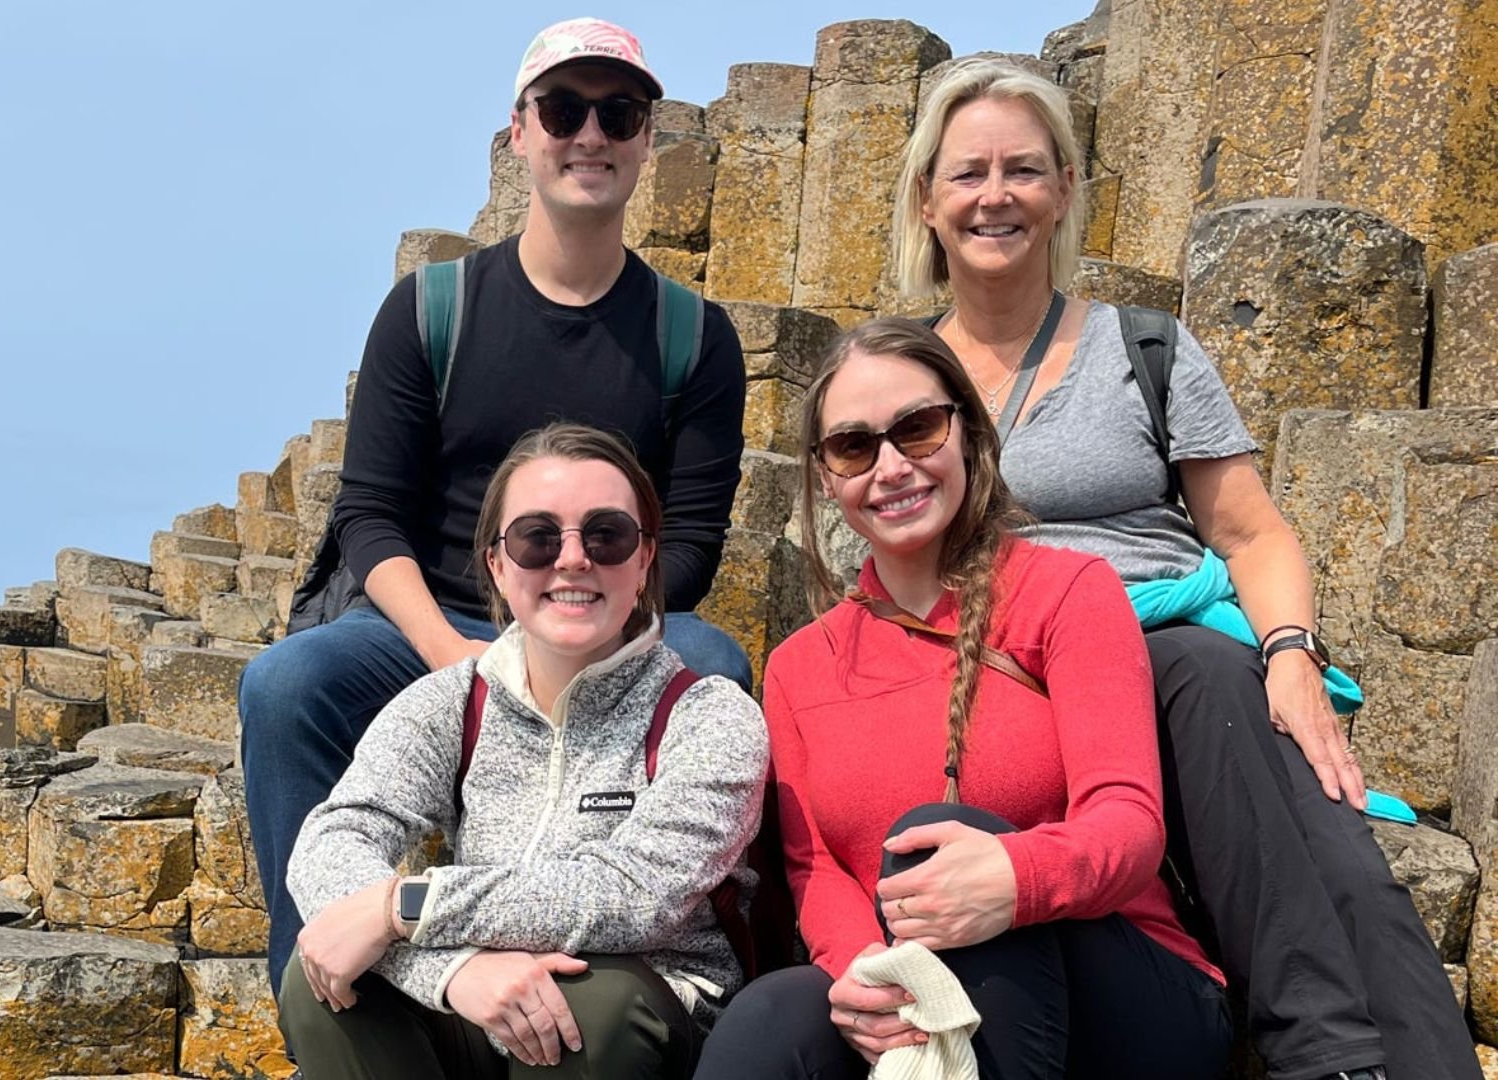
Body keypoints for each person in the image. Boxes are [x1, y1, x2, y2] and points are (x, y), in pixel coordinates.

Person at [886, 57, 1478, 1080]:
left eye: (1024, 169)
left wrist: (1292, 654)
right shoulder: (898, 380)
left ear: (1067, 188)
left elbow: (1251, 534)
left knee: (1335, 836)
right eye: (968, 172)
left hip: (1171, 636)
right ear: (926, 197)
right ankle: (1324, 1048)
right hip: (1023, 654)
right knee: (1198, 674)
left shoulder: (1144, 347)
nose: (996, 196)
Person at [240, 16, 754, 1002]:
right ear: (518, 133)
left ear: (650, 139)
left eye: (619, 113)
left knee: (720, 667)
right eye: (564, 110)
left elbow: (689, 543)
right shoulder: (432, 310)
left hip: (605, 619)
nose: (590, 136)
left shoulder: (695, 338)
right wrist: (460, 658)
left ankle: (652, 982)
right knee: (285, 688)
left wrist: (579, 638)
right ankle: (323, 1003)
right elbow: (372, 519)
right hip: (438, 619)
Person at [696, 318, 1230, 1079]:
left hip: (1128, 995)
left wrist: (1012, 879)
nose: (891, 467)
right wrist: (865, 973)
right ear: (824, 476)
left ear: (967, 433)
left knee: (948, 845)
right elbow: (814, 870)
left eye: (916, 429)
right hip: (924, 982)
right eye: (854, 446)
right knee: (771, 1018)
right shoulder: (796, 667)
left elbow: (1128, 822)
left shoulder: (1069, 592)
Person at [278, 422, 768, 1079]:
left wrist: (404, 907)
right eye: (537, 538)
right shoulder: (451, 703)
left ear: (646, 558)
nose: (573, 559)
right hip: (482, 1006)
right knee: (323, 981)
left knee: (593, 1007)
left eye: (607, 534)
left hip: (635, 1024)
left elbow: (631, 896)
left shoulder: (708, 716)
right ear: (499, 565)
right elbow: (332, 839)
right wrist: (453, 970)